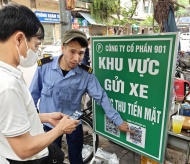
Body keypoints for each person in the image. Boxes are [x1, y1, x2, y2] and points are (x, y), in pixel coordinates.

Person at [30, 29, 133, 164]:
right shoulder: (45, 66)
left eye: (81, 53)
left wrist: (118, 121)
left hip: (73, 120)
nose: (76, 58)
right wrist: (34, 119)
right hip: (50, 122)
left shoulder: (86, 75)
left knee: (76, 157)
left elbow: (101, 97)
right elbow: (33, 94)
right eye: (72, 51)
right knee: (52, 157)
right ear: (62, 48)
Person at [0, 3, 80, 164]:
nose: (37, 52)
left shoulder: (9, 74)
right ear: (19, 38)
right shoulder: (7, 85)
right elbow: (24, 149)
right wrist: (60, 129)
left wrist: (45, 117)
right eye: (36, 45)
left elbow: (11, 117)